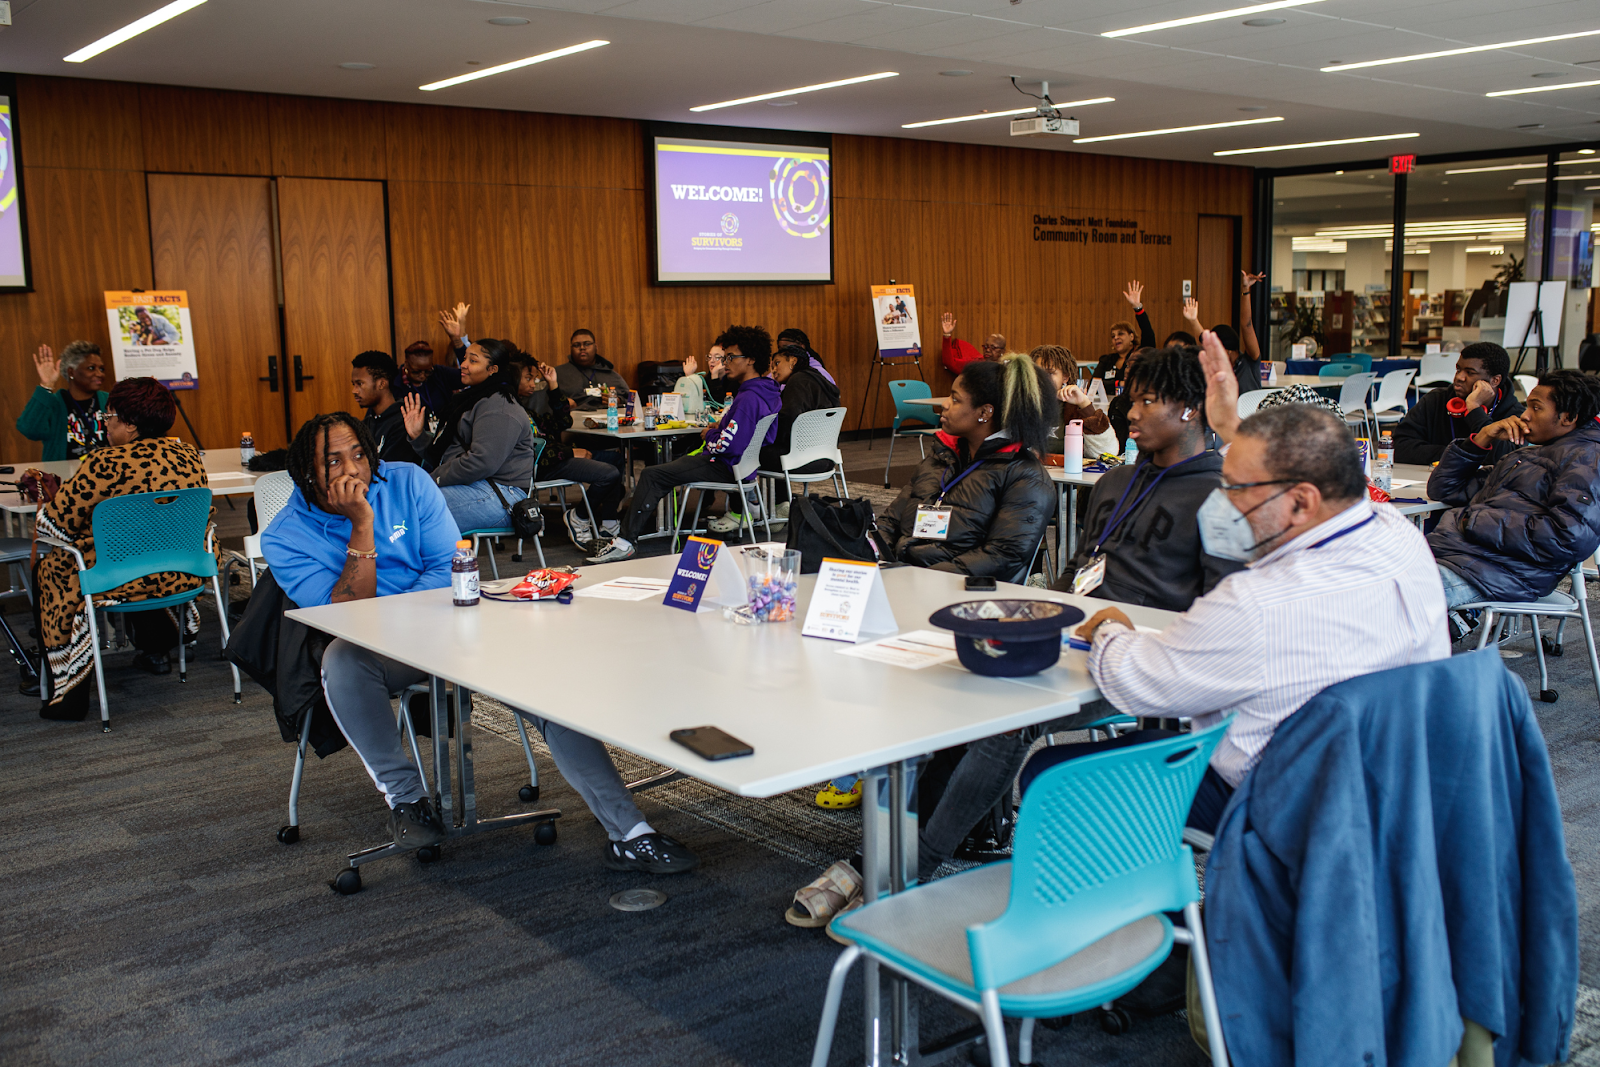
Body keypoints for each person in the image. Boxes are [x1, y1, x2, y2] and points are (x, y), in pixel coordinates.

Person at [1017, 331, 1448, 835]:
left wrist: (1109, 631)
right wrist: (1228, 425)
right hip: (1392, 779)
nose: (1228, 504)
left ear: (1300, 501)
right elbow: (1291, 469)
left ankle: (1137, 879)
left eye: (1240, 490)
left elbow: (1148, 681)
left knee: (1048, 774)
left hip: (1279, 795)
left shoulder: (1256, 601)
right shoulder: (1397, 536)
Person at [261, 413, 699, 872]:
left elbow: (446, 567)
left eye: (359, 454)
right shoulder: (285, 537)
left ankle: (630, 832)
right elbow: (345, 615)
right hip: (379, 649)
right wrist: (362, 525)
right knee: (342, 660)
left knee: (547, 684)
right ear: (306, 473)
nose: (353, 470)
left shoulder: (407, 481)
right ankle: (407, 801)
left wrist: (408, 614)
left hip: (453, 622)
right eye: (333, 461)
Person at [31, 378, 207, 720]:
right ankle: (158, 637)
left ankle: (69, 691)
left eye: (109, 416)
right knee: (141, 546)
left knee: (51, 568)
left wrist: (50, 501)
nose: (105, 424)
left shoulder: (104, 463)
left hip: (119, 579)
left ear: (131, 424)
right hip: (181, 573)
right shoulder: (188, 455)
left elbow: (53, 526)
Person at [1057, 346, 1242, 611]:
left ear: (1189, 409)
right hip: (1080, 621)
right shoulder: (1113, 482)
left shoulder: (1221, 499)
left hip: (1154, 632)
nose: (1132, 413)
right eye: (1133, 401)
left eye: (1147, 401)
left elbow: (1220, 609)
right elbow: (1076, 568)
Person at [588, 325, 782, 564]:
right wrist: (721, 428)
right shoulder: (767, 391)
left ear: (751, 359)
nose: (725, 363)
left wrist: (710, 434)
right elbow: (762, 435)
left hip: (725, 465)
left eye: (731, 357)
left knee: (652, 475)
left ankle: (625, 542)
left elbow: (728, 446)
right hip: (743, 467)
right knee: (664, 470)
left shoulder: (748, 397)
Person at [1427, 369, 1600, 610]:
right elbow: (1443, 489)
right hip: (1458, 556)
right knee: (1373, 574)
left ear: (1568, 417)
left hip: (1496, 572)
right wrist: (1481, 438)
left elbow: (1569, 537)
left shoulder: (1587, 460)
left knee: (1386, 594)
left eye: (1536, 408)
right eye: (1527, 406)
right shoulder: (1528, 455)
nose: (1524, 416)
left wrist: (1475, 521)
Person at [873, 355, 1054, 579]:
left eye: (955, 399)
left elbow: (1003, 555)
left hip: (957, 589)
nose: (944, 404)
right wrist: (874, 555)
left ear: (984, 413)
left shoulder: (1025, 477)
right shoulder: (940, 458)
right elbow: (890, 521)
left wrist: (920, 578)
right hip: (904, 577)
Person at [400, 338, 535, 533]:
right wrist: (418, 436)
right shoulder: (474, 400)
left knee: (414, 508)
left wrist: (433, 479)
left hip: (503, 495)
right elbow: (447, 454)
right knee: (402, 501)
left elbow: (480, 462)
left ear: (493, 370)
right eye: (464, 359)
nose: (463, 365)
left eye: (473, 361)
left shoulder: (500, 407)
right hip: (476, 484)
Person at [717, 342, 840, 531]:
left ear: (793, 361)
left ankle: (740, 512)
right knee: (768, 449)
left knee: (740, 451)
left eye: (777, 363)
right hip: (825, 458)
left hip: (800, 460)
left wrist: (758, 430)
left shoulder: (797, 382)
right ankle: (780, 504)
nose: (773, 370)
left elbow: (786, 422)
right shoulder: (821, 382)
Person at [506, 351, 626, 546]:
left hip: (555, 457)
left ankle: (609, 521)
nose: (533, 384)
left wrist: (553, 385)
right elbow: (531, 452)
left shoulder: (525, 409)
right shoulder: (510, 410)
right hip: (541, 466)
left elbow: (563, 422)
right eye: (528, 378)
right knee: (608, 474)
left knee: (615, 460)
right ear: (512, 378)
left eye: (534, 379)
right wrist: (570, 453)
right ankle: (579, 516)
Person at [1393, 342, 1524, 465]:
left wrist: (1475, 410)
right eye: (1458, 370)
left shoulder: (1515, 414)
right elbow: (1399, 447)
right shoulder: (1435, 400)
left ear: (1495, 380)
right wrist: (1457, 454)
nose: (1459, 377)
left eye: (1470, 373)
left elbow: (1507, 459)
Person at [19, 342, 110, 460]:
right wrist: (46, 386)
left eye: (101, 369)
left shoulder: (110, 400)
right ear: (71, 372)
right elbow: (29, 429)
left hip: (107, 469)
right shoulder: (54, 404)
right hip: (64, 471)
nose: (99, 374)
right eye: (91, 368)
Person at [1029, 344, 1115, 459]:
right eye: (1037, 373)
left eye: (1050, 373)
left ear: (1065, 377)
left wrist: (1084, 404)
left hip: (1067, 469)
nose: (1042, 379)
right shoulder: (1022, 405)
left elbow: (1108, 453)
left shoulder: (1073, 408)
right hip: (1028, 469)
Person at [351, 350, 415, 466]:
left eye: (359, 384)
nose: (354, 391)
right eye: (353, 384)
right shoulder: (366, 424)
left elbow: (391, 470)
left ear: (381, 384)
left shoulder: (404, 422)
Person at [1091, 281, 1158, 391]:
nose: (1116, 338)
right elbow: (1094, 384)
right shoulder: (1106, 360)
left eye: (1120, 334)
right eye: (1113, 336)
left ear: (1132, 337)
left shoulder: (1140, 355)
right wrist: (1120, 383)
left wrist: (1137, 308)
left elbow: (1148, 334)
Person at [554, 329, 629, 411]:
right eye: (577, 345)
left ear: (595, 347)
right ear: (571, 349)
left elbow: (631, 401)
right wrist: (563, 403)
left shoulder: (611, 375)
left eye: (587, 344)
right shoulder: (557, 374)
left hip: (607, 416)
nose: (582, 348)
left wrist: (617, 401)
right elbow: (546, 401)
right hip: (573, 416)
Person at [938, 313, 1003, 376]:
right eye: (986, 346)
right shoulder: (976, 363)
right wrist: (947, 335)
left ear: (1002, 351)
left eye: (993, 347)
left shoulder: (1006, 368)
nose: (988, 350)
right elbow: (950, 363)